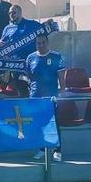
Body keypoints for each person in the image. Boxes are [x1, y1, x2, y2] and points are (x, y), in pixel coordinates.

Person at [26, 34, 64, 162]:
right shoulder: (30, 58)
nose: (41, 45)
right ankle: (42, 149)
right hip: (36, 97)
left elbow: (61, 76)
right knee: (38, 123)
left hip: (51, 96)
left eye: (43, 43)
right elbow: (29, 76)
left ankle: (57, 150)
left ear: (47, 43)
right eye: (38, 43)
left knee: (54, 123)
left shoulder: (56, 56)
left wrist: (62, 92)